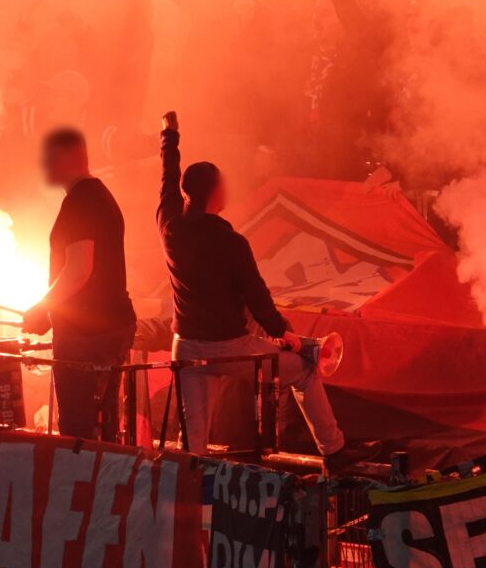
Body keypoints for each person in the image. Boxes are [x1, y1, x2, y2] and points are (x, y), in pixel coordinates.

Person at [157, 112, 379, 469]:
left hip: (185, 345)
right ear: (216, 193)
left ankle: (188, 495)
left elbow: (168, 178)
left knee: (193, 450)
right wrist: (283, 334)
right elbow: (256, 296)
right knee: (304, 371)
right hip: (229, 348)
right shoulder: (231, 242)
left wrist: (169, 136)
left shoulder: (169, 224)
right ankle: (334, 451)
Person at [22, 129, 136, 441]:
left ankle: (84, 471)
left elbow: (78, 270)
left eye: (49, 160)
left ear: (69, 159)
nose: (44, 166)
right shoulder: (98, 196)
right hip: (107, 327)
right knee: (103, 425)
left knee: (78, 431)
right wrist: (53, 312)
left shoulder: (80, 202)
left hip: (88, 336)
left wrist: (42, 307)